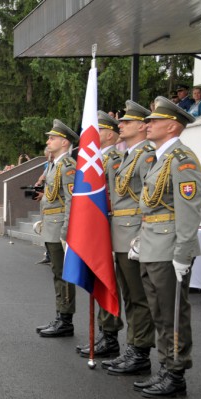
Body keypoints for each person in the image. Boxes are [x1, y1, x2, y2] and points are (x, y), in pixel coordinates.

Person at [134, 96, 201, 398]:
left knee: (174, 312)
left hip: (169, 247)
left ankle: (176, 373)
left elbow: (190, 209)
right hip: (152, 244)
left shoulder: (182, 160)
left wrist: (184, 252)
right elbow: (150, 204)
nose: (147, 125)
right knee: (159, 311)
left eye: (153, 120)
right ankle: (164, 366)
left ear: (172, 126)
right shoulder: (160, 158)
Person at [97, 101, 157, 375]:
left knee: (138, 297)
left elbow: (151, 200)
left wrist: (144, 235)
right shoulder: (129, 157)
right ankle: (132, 347)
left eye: (127, 122)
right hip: (121, 233)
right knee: (130, 296)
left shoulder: (146, 156)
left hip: (133, 234)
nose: (120, 125)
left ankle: (139, 351)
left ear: (143, 126)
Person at [77, 111, 125, 359]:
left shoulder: (115, 159)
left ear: (108, 134)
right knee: (99, 279)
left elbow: (115, 197)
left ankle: (110, 336)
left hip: (111, 228)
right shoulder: (94, 159)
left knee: (108, 280)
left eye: (97, 131)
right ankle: (106, 334)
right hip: (98, 229)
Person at [35, 119, 78, 338]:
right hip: (51, 225)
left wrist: (66, 231)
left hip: (60, 226)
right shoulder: (55, 165)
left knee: (63, 274)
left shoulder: (68, 166)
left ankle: (65, 319)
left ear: (64, 142)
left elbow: (71, 200)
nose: (48, 141)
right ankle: (60, 315)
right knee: (57, 273)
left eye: (52, 138)